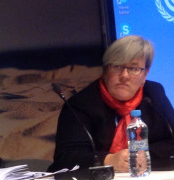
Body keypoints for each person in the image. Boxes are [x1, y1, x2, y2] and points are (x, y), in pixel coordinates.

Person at [49, 35, 174, 172]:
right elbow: (65, 158)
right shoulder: (81, 104)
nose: (124, 76)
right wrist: (107, 160)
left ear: (145, 74)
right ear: (105, 69)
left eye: (134, 69)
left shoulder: (153, 94)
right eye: (117, 66)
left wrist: (142, 155)